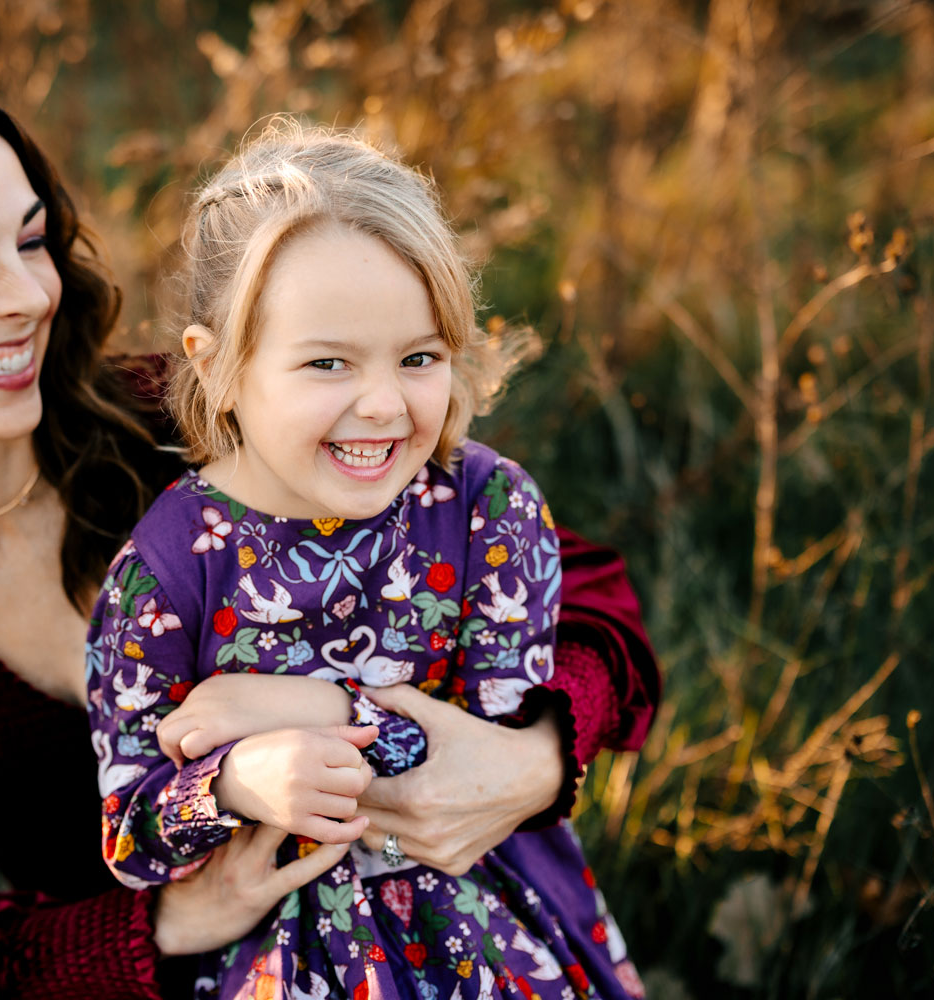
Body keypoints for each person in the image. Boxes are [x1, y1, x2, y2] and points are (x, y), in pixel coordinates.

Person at [0, 62, 658, 999]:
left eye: (33, 239)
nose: (27, 295)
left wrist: (529, 756)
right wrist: (167, 923)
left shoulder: (174, 423)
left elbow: (587, 595)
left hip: (449, 916)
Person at [87, 125, 647, 999]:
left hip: (480, 913)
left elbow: (491, 750)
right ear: (220, 369)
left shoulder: (486, 510)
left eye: (419, 357)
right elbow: (130, 833)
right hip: (281, 951)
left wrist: (310, 707)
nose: (384, 405)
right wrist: (234, 778)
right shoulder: (165, 571)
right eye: (327, 363)